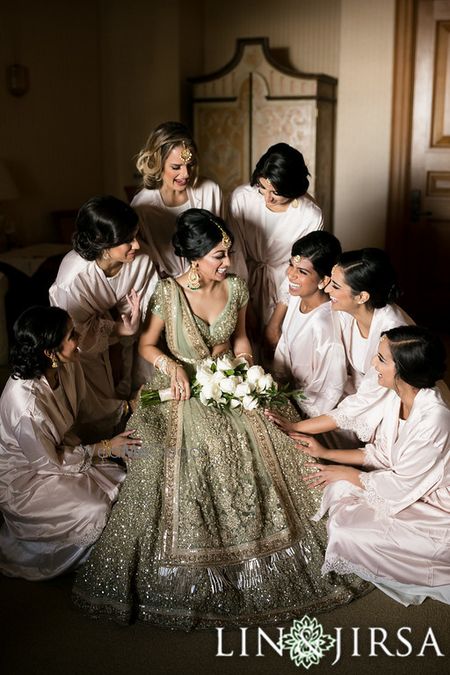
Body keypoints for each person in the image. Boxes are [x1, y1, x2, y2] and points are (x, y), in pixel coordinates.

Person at [73, 208, 369, 629]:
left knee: (274, 437)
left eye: (227, 253)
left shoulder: (237, 288)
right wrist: (173, 367)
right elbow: (147, 345)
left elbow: (243, 338)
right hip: (181, 391)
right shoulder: (167, 292)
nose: (228, 263)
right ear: (195, 258)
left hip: (231, 383)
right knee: (195, 453)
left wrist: (244, 366)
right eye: (218, 255)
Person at [297, 326, 450, 606]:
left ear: (403, 369)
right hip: (402, 487)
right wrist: (326, 452)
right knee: (339, 490)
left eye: (381, 359)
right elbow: (380, 455)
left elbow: (400, 485)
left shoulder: (435, 419)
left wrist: (347, 472)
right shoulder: (396, 397)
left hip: (437, 505)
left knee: (346, 528)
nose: (372, 364)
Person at [0, 307, 142, 581]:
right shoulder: (25, 404)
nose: (78, 337)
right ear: (50, 352)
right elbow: (48, 463)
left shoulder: (67, 364)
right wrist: (105, 447)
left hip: (63, 453)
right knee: (96, 508)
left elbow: (89, 408)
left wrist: (126, 407)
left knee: (122, 482)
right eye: (71, 335)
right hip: (28, 479)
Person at [266, 248, 413, 445]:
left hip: (390, 403)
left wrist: (297, 426)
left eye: (335, 286)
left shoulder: (391, 332)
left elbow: (366, 400)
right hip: (356, 392)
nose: (326, 290)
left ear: (362, 297)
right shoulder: (344, 311)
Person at [49, 195, 158, 438]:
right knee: (89, 389)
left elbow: (148, 308)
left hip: (126, 328)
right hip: (77, 340)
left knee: (144, 365)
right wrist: (119, 329)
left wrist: (132, 327)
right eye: (127, 240)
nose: (137, 246)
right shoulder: (74, 279)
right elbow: (78, 335)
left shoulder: (141, 262)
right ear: (103, 244)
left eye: (136, 235)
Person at [132, 121, 247, 278]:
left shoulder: (209, 191)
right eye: (176, 167)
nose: (186, 173)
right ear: (158, 163)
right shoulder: (142, 207)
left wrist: (237, 283)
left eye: (190, 165)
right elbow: (142, 261)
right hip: (166, 287)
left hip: (212, 282)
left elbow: (227, 244)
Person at [228, 143, 323, 330]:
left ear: (294, 188)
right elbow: (234, 254)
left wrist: (275, 322)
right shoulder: (241, 198)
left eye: (277, 193)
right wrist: (245, 309)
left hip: (287, 287)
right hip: (241, 283)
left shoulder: (309, 215)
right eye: (262, 187)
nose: (267, 198)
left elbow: (301, 267)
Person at [272, 231, 346, 418]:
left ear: (324, 280)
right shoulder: (296, 297)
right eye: (291, 265)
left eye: (302, 272)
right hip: (285, 395)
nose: (291, 275)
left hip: (309, 413)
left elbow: (327, 394)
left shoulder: (324, 325)